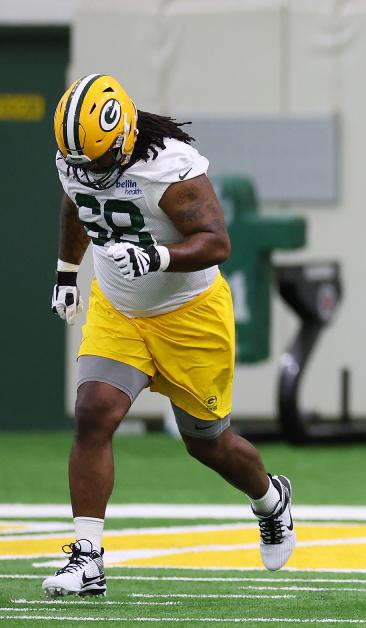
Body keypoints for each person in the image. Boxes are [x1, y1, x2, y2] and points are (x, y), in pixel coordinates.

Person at [42, 74, 296, 598]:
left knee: (208, 444)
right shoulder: (79, 159)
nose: (90, 173)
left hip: (189, 314)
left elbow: (217, 242)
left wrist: (157, 255)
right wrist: (68, 271)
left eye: (99, 161)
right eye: (81, 164)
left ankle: (270, 499)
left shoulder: (171, 168)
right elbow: (76, 202)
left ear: (126, 135)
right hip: (120, 310)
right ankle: (87, 559)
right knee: (93, 414)